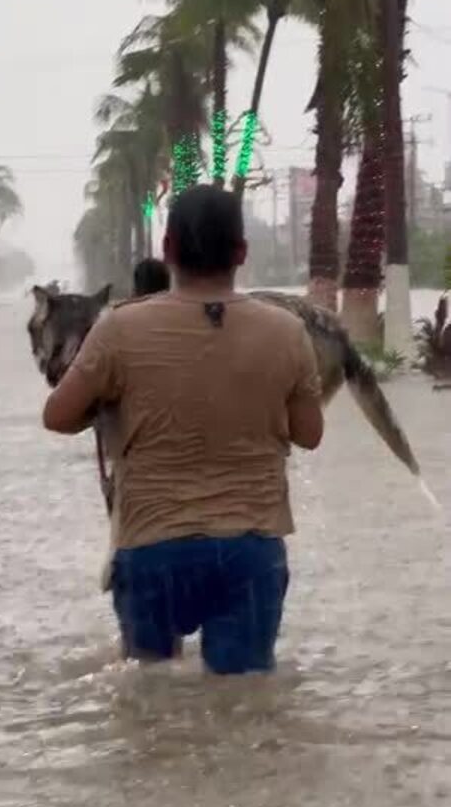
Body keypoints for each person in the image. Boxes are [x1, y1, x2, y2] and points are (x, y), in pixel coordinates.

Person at [43, 185, 323, 674]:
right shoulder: (287, 332)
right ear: (241, 252)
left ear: (168, 250)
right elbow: (309, 432)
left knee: (151, 701)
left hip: (151, 547)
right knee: (247, 704)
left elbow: (58, 415)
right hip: (251, 548)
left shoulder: (118, 329)